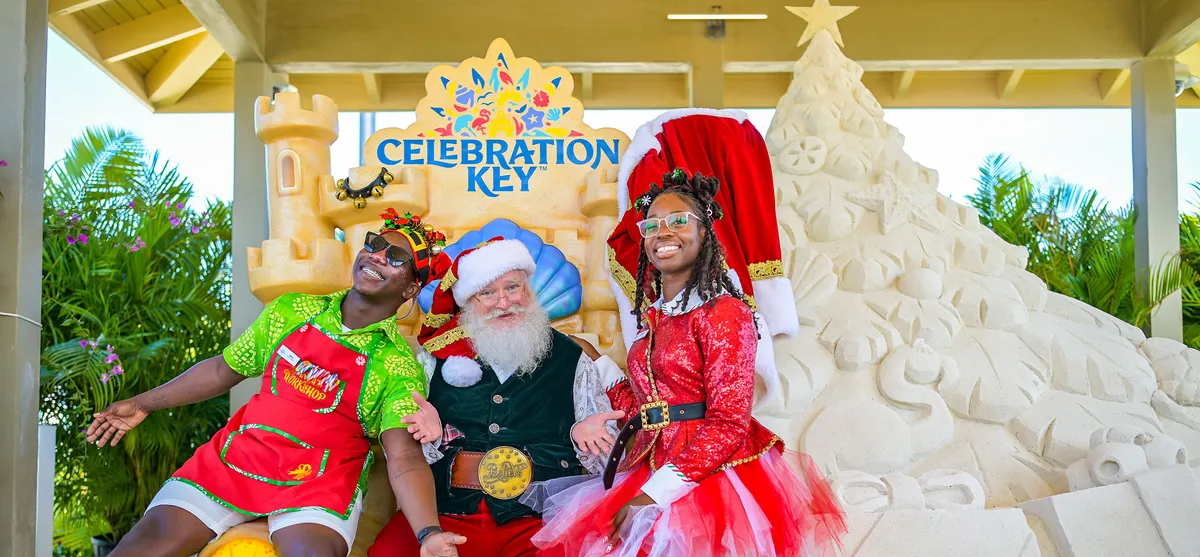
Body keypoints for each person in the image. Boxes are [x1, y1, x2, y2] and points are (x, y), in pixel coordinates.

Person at [86, 209, 465, 557]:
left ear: (411, 289)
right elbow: (221, 370)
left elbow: (404, 456)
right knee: (143, 547)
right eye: (375, 244)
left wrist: (428, 533)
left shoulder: (398, 364)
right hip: (236, 459)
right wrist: (143, 403)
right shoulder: (292, 310)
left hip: (319, 483)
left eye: (396, 258)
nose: (378, 256)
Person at [530, 171, 847, 557]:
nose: (663, 232)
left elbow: (729, 422)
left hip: (708, 480)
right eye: (651, 225)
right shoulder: (653, 321)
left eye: (678, 221)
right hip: (648, 467)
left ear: (703, 231)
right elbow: (646, 409)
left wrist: (655, 494)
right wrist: (597, 361)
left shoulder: (724, 313)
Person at [368, 237, 624, 557]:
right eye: (487, 293)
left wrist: (583, 439)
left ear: (528, 290)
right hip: (446, 515)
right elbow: (402, 455)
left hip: (542, 522)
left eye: (513, 287)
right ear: (468, 303)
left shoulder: (573, 358)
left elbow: (609, 466)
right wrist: (429, 439)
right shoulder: (434, 361)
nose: (504, 302)